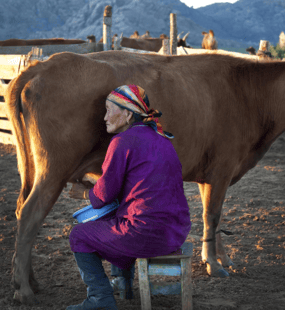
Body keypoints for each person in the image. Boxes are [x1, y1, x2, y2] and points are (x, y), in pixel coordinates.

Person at [66, 84, 192, 310]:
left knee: (79, 235)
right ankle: (124, 283)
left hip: (146, 235)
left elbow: (102, 197)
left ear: (126, 114)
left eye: (108, 110)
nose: (104, 117)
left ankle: (100, 299)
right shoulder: (162, 138)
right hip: (175, 233)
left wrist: (84, 192)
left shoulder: (121, 142)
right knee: (120, 216)